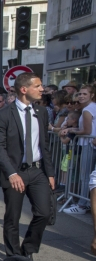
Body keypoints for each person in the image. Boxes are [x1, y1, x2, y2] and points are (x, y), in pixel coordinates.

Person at [0, 72, 55, 260]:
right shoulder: (3, 115)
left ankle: (28, 250)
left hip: (37, 170)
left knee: (44, 212)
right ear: (24, 89)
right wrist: (11, 173)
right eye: (38, 86)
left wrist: (49, 172)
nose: (42, 89)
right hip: (14, 172)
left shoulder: (41, 113)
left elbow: (45, 145)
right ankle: (14, 257)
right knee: (12, 217)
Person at [60, 84, 96, 215]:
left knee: (85, 177)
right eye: (80, 93)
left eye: (84, 94)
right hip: (89, 143)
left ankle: (82, 204)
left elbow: (87, 131)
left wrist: (72, 130)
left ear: (91, 95)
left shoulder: (88, 110)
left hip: (88, 144)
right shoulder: (90, 108)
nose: (81, 96)